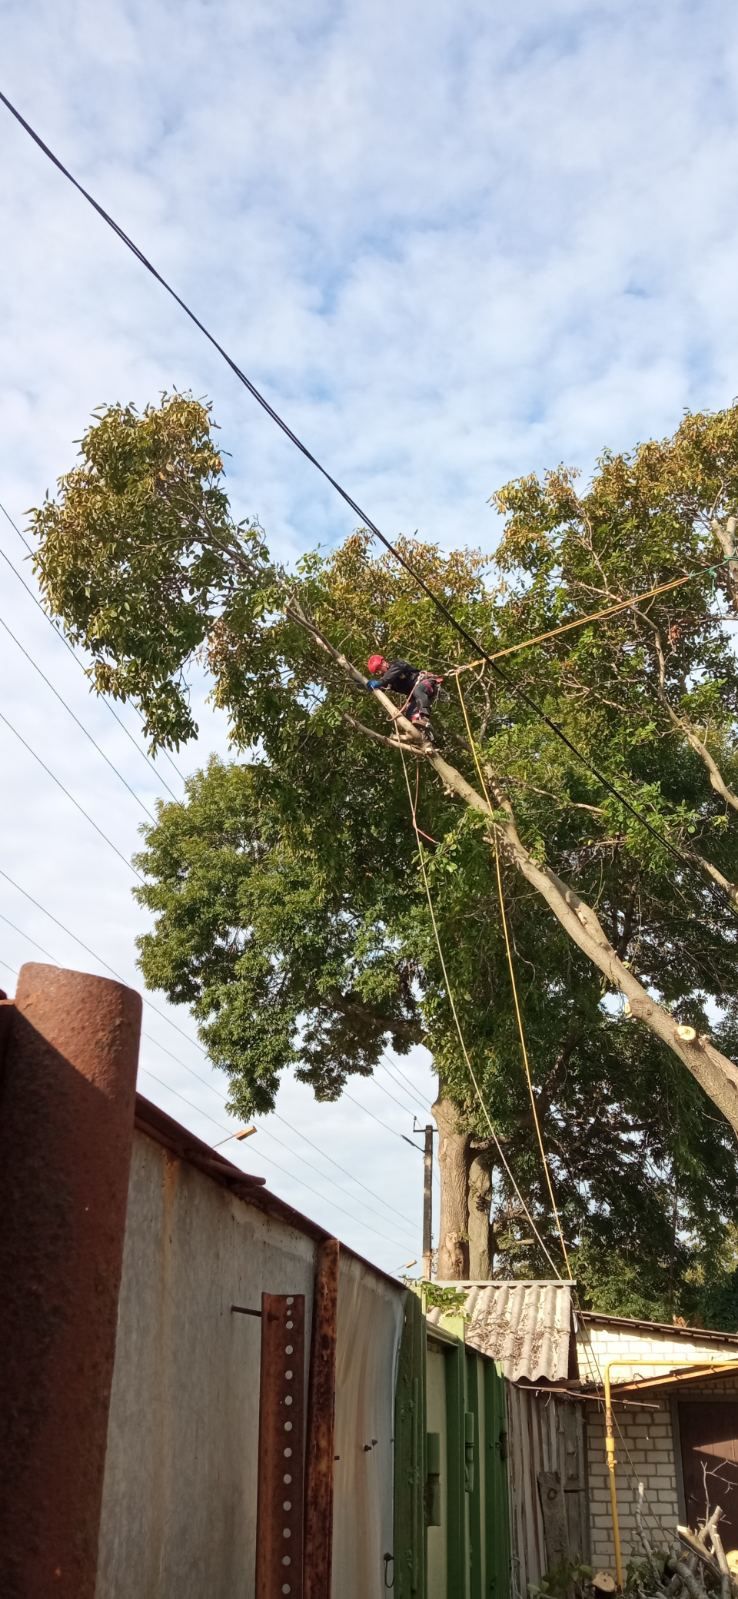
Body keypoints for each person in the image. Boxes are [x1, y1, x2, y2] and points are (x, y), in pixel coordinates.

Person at [365, 653, 441, 738]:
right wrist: (367, 685)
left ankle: (424, 718)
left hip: (426, 683)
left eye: (378, 669)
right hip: (417, 696)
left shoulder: (397, 664)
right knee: (410, 713)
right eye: (377, 672)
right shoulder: (388, 680)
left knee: (417, 690)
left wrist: (380, 682)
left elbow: (390, 675)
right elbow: (383, 686)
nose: (379, 673)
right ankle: (426, 734)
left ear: (384, 663)